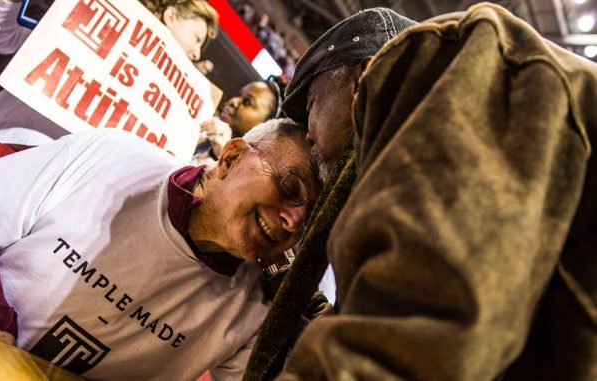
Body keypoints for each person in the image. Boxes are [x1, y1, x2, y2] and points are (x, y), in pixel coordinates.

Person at [243, 4, 597, 381]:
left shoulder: (447, 66)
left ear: (362, 78)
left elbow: (404, 348)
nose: (309, 134)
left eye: (312, 105)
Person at [0, 118, 321, 380]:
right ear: (231, 158)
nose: (294, 220)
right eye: (290, 187)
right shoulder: (111, 158)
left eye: (312, 217)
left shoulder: (257, 307)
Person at [0, 0, 219, 146]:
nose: (197, 53)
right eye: (196, 39)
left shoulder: (160, 108)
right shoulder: (93, 26)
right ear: (172, 16)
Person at [194, 79, 282, 165]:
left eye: (247, 102)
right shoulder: (203, 117)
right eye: (238, 94)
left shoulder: (241, 175)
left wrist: (222, 159)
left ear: (264, 127)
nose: (234, 101)